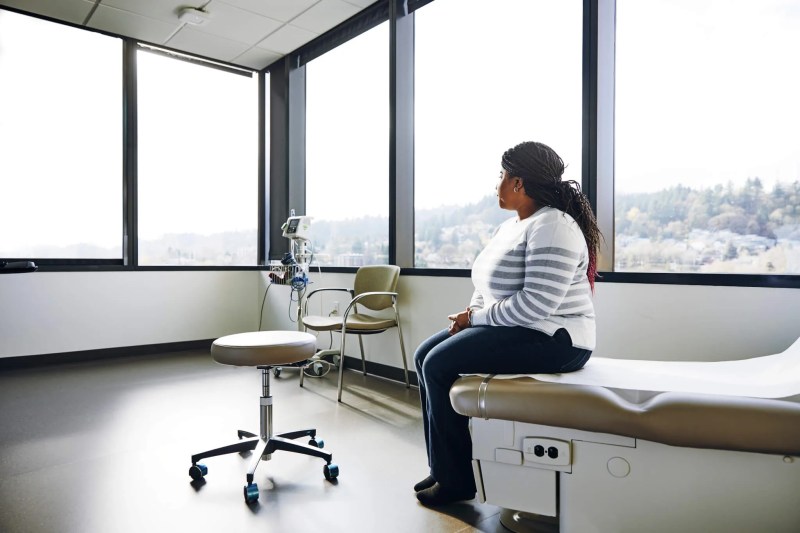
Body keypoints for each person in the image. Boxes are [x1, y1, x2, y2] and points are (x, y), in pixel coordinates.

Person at [413, 141, 602, 507]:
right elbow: (485, 288)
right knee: (425, 356)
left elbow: (536, 306)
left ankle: (456, 482)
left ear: (518, 183)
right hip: (517, 328)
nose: (496, 184)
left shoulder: (555, 225)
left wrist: (474, 320)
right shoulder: (512, 227)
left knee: (438, 365)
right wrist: (470, 316)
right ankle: (442, 467)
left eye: (501, 176)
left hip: (557, 339)